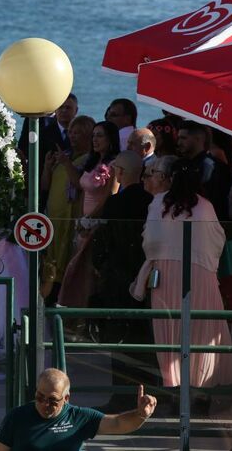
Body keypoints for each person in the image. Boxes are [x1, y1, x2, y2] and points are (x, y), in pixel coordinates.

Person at [130, 160, 232, 390]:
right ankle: (200, 387)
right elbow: (218, 239)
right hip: (201, 272)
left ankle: (174, 388)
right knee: (200, 329)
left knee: (169, 330)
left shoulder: (159, 202)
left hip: (166, 273)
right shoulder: (206, 206)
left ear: (171, 179)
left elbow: (150, 240)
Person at [89, 151, 157, 409]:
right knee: (143, 337)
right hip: (144, 276)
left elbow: (104, 240)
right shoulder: (150, 201)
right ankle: (147, 394)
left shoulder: (116, 203)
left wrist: (100, 266)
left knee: (118, 339)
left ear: (120, 172)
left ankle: (121, 395)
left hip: (118, 277)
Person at [0, 368, 156, 451]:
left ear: (66, 398)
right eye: (40, 397)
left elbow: (118, 423)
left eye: (52, 400)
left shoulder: (78, 417)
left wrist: (140, 415)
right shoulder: (16, 417)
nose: (44, 404)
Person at [56, 120, 119, 313]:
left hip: (98, 223)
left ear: (111, 139)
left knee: (89, 272)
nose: (95, 140)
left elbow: (110, 196)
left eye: (100, 136)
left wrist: (89, 219)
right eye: (93, 136)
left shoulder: (114, 164)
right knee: (78, 271)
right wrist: (66, 163)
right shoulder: (93, 162)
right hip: (84, 223)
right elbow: (80, 185)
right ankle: (75, 316)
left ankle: (87, 317)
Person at [39, 115, 93, 303]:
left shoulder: (89, 160)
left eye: (77, 133)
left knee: (66, 258)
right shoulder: (65, 155)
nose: (72, 136)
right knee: (51, 260)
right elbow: (45, 186)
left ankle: (60, 299)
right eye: (71, 132)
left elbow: (79, 183)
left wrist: (66, 163)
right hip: (54, 217)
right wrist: (47, 167)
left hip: (71, 216)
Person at [176, 120, 230, 220]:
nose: (179, 143)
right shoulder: (178, 165)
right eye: (178, 138)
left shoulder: (211, 166)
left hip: (206, 220)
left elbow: (217, 200)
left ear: (198, 139)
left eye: (183, 138)